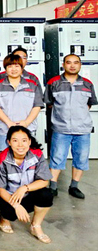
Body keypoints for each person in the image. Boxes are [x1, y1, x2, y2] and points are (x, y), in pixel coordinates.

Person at [45, 54, 97, 199]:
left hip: (83, 129)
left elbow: (89, 104)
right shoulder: (54, 82)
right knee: (57, 157)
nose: (72, 65)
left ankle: (74, 186)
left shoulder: (87, 83)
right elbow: (49, 103)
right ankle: (53, 187)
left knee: (81, 158)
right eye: (69, 62)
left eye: (76, 63)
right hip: (61, 129)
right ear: (63, 64)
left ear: (80, 65)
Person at [0, 126, 53, 244]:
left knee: (46, 195)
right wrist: (16, 206)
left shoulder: (37, 155)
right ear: (9, 142)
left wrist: (24, 188)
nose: (20, 145)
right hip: (9, 196)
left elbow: (44, 180)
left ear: (29, 141)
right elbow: (0, 189)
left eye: (24, 140)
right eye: (15, 140)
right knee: (9, 213)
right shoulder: (2, 159)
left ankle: (35, 226)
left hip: (27, 194)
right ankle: (3, 217)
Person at [0, 54, 44, 152]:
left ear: (22, 68)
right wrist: (8, 123)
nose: (13, 69)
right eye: (10, 66)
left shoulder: (32, 84)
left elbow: (37, 105)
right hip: (5, 129)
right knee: (4, 157)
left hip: (27, 129)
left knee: (28, 157)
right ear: (5, 69)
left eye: (17, 66)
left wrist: (26, 123)